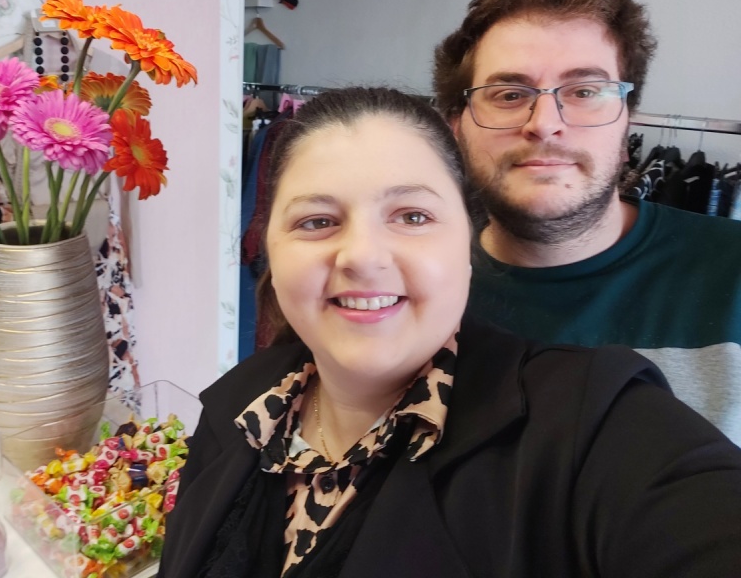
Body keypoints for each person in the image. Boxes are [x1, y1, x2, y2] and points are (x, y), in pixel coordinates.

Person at [158, 87, 741, 578]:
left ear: (468, 244)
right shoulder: (241, 407)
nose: (362, 256)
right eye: (317, 221)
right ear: (270, 247)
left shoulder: (591, 426)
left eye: (412, 216)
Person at [433, 0, 741, 444]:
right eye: (509, 94)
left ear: (627, 119)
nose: (544, 123)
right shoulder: (404, 288)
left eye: (584, 91)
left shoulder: (732, 275)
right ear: (457, 126)